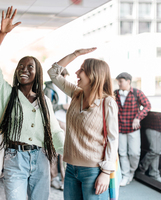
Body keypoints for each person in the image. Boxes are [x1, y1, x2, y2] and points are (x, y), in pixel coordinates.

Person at [0, 7, 65, 200]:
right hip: (14, 158)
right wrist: (1, 36)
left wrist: (72, 154)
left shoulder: (44, 100)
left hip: (41, 158)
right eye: (21, 66)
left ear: (37, 72)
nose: (24, 69)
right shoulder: (5, 93)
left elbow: (54, 131)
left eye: (30, 66)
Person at [48, 48, 119, 200]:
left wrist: (106, 173)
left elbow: (113, 139)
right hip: (71, 168)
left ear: (93, 75)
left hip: (94, 170)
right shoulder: (75, 94)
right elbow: (53, 73)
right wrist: (75, 54)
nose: (76, 73)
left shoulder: (108, 103)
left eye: (81, 70)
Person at [115, 72, 151, 186]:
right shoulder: (115, 93)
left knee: (135, 153)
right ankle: (126, 175)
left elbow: (147, 105)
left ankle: (131, 172)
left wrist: (138, 118)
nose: (119, 84)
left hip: (133, 129)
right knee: (122, 153)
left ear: (128, 81)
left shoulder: (137, 93)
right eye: (118, 82)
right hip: (119, 128)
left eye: (121, 81)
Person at [44, 68, 70, 190]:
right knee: (54, 151)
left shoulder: (66, 89)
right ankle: (53, 178)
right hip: (54, 122)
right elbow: (45, 107)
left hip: (66, 122)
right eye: (63, 76)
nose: (64, 79)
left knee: (64, 152)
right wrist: (62, 106)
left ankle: (65, 180)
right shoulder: (48, 89)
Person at [138, 112, 161, 184]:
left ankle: (154, 173)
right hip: (152, 126)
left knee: (159, 151)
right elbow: (149, 111)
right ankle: (142, 167)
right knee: (155, 150)